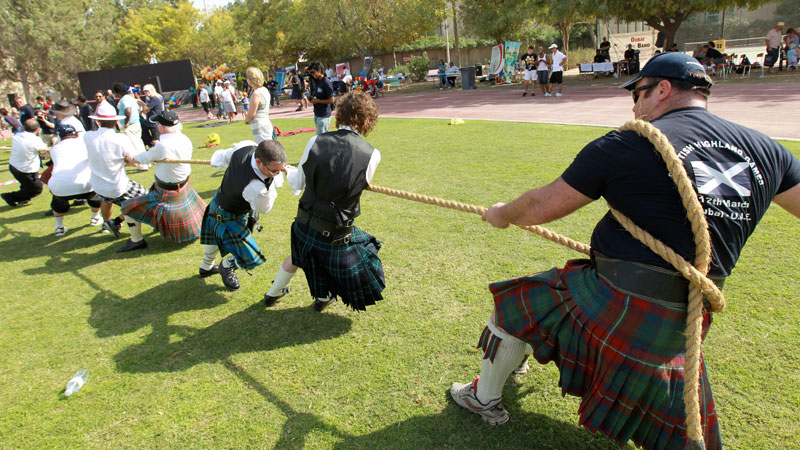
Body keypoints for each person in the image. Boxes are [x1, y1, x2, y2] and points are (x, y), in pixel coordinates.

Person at [448, 52, 800, 450]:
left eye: (638, 93)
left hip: (617, 299)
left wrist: (502, 213)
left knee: (516, 303)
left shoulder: (627, 142)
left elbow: (541, 207)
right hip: (689, 314)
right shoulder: (768, 151)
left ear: (662, 89)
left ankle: (483, 398)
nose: (634, 105)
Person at [263, 92, 385, 312]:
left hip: (305, 222)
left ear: (340, 114)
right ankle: (323, 296)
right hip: (336, 231)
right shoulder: (372, 154)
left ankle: (275, 292)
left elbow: (298, 183)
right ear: (368, 119)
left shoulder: (315, 140)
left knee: (302, 255)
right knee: (361, 249)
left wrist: (290, 172)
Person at [198, 140, 288, 288]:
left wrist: (216, 161)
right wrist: (271, 185)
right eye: (274, 171)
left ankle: (206, 267)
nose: (277, 174)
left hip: (221, 200)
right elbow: (264, 208)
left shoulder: (245, 147)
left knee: (216, 235)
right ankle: (226, 265)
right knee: (250, 256)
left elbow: (223, 156)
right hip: (229, 213)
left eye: (280, 169)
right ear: (259, 161)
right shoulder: (254, 186)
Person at [121, 111, 206, 243]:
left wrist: (132, 158)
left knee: (129, 208)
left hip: (167, 191)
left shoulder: (163, 146)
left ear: (162, 127)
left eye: (158, 124)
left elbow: (143, 158)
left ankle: (136, 240)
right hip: (182, 184)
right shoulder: (184, 138)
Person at [84, 101, 149, 253]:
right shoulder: (120, 138)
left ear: (97, 120)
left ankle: (108, 223)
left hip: (98, 185)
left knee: (107, 198)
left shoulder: (88, 137)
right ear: (115, 121)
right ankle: (132, 236)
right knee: (146, 198)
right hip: (117, 185)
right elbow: (131, 160)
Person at [46, 124, 103, 236]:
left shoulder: (54, 149)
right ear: (76, 134)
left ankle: (59, 227)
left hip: (59, 186)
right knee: (95, 192)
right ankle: (95, 218)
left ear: (60, 136)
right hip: (85, 184)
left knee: (58, 198)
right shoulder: (84, 145)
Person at [1, 119, 47, 207]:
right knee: (37, 189)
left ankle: (24, 198)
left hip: (15, 166)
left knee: (27, 185)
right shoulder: (35, 140)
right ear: (38, 129)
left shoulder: (17, 136)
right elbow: (44, 151)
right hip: (25, 170)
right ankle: (9, 196)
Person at [112, 82, 148, 172]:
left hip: (131, 125)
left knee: (135, 145)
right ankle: (146, 162)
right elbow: (138, 108)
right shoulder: (131, 98)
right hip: (136, 123)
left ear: (117, 92)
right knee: (139, 144)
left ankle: (143, 165)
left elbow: (128, 111)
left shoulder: (124, 99)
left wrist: (126, 123)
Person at [243, 67, 274, 144]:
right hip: (265, 123)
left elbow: (251, 114)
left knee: (264, 150)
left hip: (260, 126)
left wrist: (246, 120)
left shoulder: (256, 94)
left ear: (250, 80)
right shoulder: (264, 90)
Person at [308, 62, 335, 135]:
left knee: (320, 138)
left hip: (324, 115)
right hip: (317, 113)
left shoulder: (326, 82)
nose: (312, 74)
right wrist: (312, 99)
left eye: (313, 72)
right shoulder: (317, 81)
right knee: (322, 137)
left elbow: (332, 100)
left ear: (319, 70)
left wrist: (318, 101)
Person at [138, 84, 164, 148]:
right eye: (144, 91)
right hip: (152, 122)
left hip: (155, 123)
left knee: (155, 141)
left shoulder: (154, 99)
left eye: (147, 91)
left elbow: (145, 110)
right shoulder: (151, 99)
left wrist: (140, 103)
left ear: (152, 90)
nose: (146, 93)